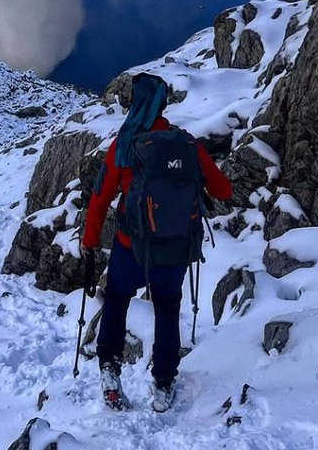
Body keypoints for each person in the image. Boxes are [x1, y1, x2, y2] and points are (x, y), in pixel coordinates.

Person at [81, 73, 232, 412]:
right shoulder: (187, 144)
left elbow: (100, 197)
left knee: (118, 298)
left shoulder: (125, 145)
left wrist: (89, 241)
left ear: (135, 104)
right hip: (175, 250)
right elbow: (223, 190)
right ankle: (163, 382)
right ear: (164, 104)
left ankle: (109, 367)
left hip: (129, 247)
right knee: (167, 307)